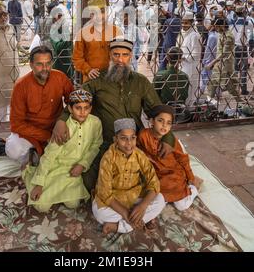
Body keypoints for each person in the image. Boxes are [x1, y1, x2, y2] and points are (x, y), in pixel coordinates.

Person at [53, 38, 175, 192]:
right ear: (109, 55)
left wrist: (168, 138)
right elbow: (77, 100)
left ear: (130, 56)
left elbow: (157, 110)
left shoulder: (141, 82)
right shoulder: (97, 80)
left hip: (135, 143)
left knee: (154, 180)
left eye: (124, 55)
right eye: (116, 55)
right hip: (105, 142)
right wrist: (62, 120)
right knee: (89, 183)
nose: (120, 60)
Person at [22, 89, 103, 212]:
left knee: (73, 204)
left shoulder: (95, 122)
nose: (82, 112)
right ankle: (30, 175)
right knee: (41, 207)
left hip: (74, 170)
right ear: (70, 109)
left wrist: (82, 164)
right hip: (57, 166)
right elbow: (49, 155)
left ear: (91, 108)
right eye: (78, 108)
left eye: (86, 108)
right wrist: (39, 184)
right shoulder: (64, 127)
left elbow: (96, 146)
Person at [92, 118, 165, 234]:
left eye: (132, 138)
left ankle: (117, 227)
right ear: (115, 139)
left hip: (135, 196)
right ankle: (137, 219)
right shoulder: (108, 158)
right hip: (114, 200)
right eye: (123, 138)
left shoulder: (139, 155)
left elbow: (154, 182)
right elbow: (104, 192)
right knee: (99, 213)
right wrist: (125, 213)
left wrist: (143, 206)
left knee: (160, 200)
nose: (129, 143)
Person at [5, 45, 74, 165]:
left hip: (57, 128)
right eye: (39, 64)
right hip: (31, 133)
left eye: (48, 63)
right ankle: (35, 155)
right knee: (13, 150)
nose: (45, 68)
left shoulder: (60, 77)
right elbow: (16, 124)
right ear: (31, 65)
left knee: (76, 142)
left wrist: (62, 121)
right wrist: (46, 136)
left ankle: (38, 156)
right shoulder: (21, 86)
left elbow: (73, 102)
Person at [138, 105, 203, 211]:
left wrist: (190, 177)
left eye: (168, 123)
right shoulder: (143, 135)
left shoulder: (172, 141)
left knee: (181, 206)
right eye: (160, 121)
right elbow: (138, 149)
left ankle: (195, 187)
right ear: (152, 121)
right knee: (152, 195)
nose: (164, 125)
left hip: (173, 173)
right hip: (155, 172)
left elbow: (183, 160)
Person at [72, 0, 122, 82]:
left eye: (102, 12)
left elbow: (123, 55)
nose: (99, 16)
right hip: (91, 79)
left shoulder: (116, 31)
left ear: (107, 12)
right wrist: (88, 70)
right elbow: (77, 59)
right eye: (95, 13)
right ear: (91, 15)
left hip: (112, 78)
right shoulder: (82, 33)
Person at [176, 11, 202, 105]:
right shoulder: (181, 33)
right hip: (181, 66)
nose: (183, 25)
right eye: (182, 22)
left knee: (190, 89)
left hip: (191, 67)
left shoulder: (195, 36)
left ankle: (189, 109)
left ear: (191, 23)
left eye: (186, 23)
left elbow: (196, 54)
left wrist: (182, 58)